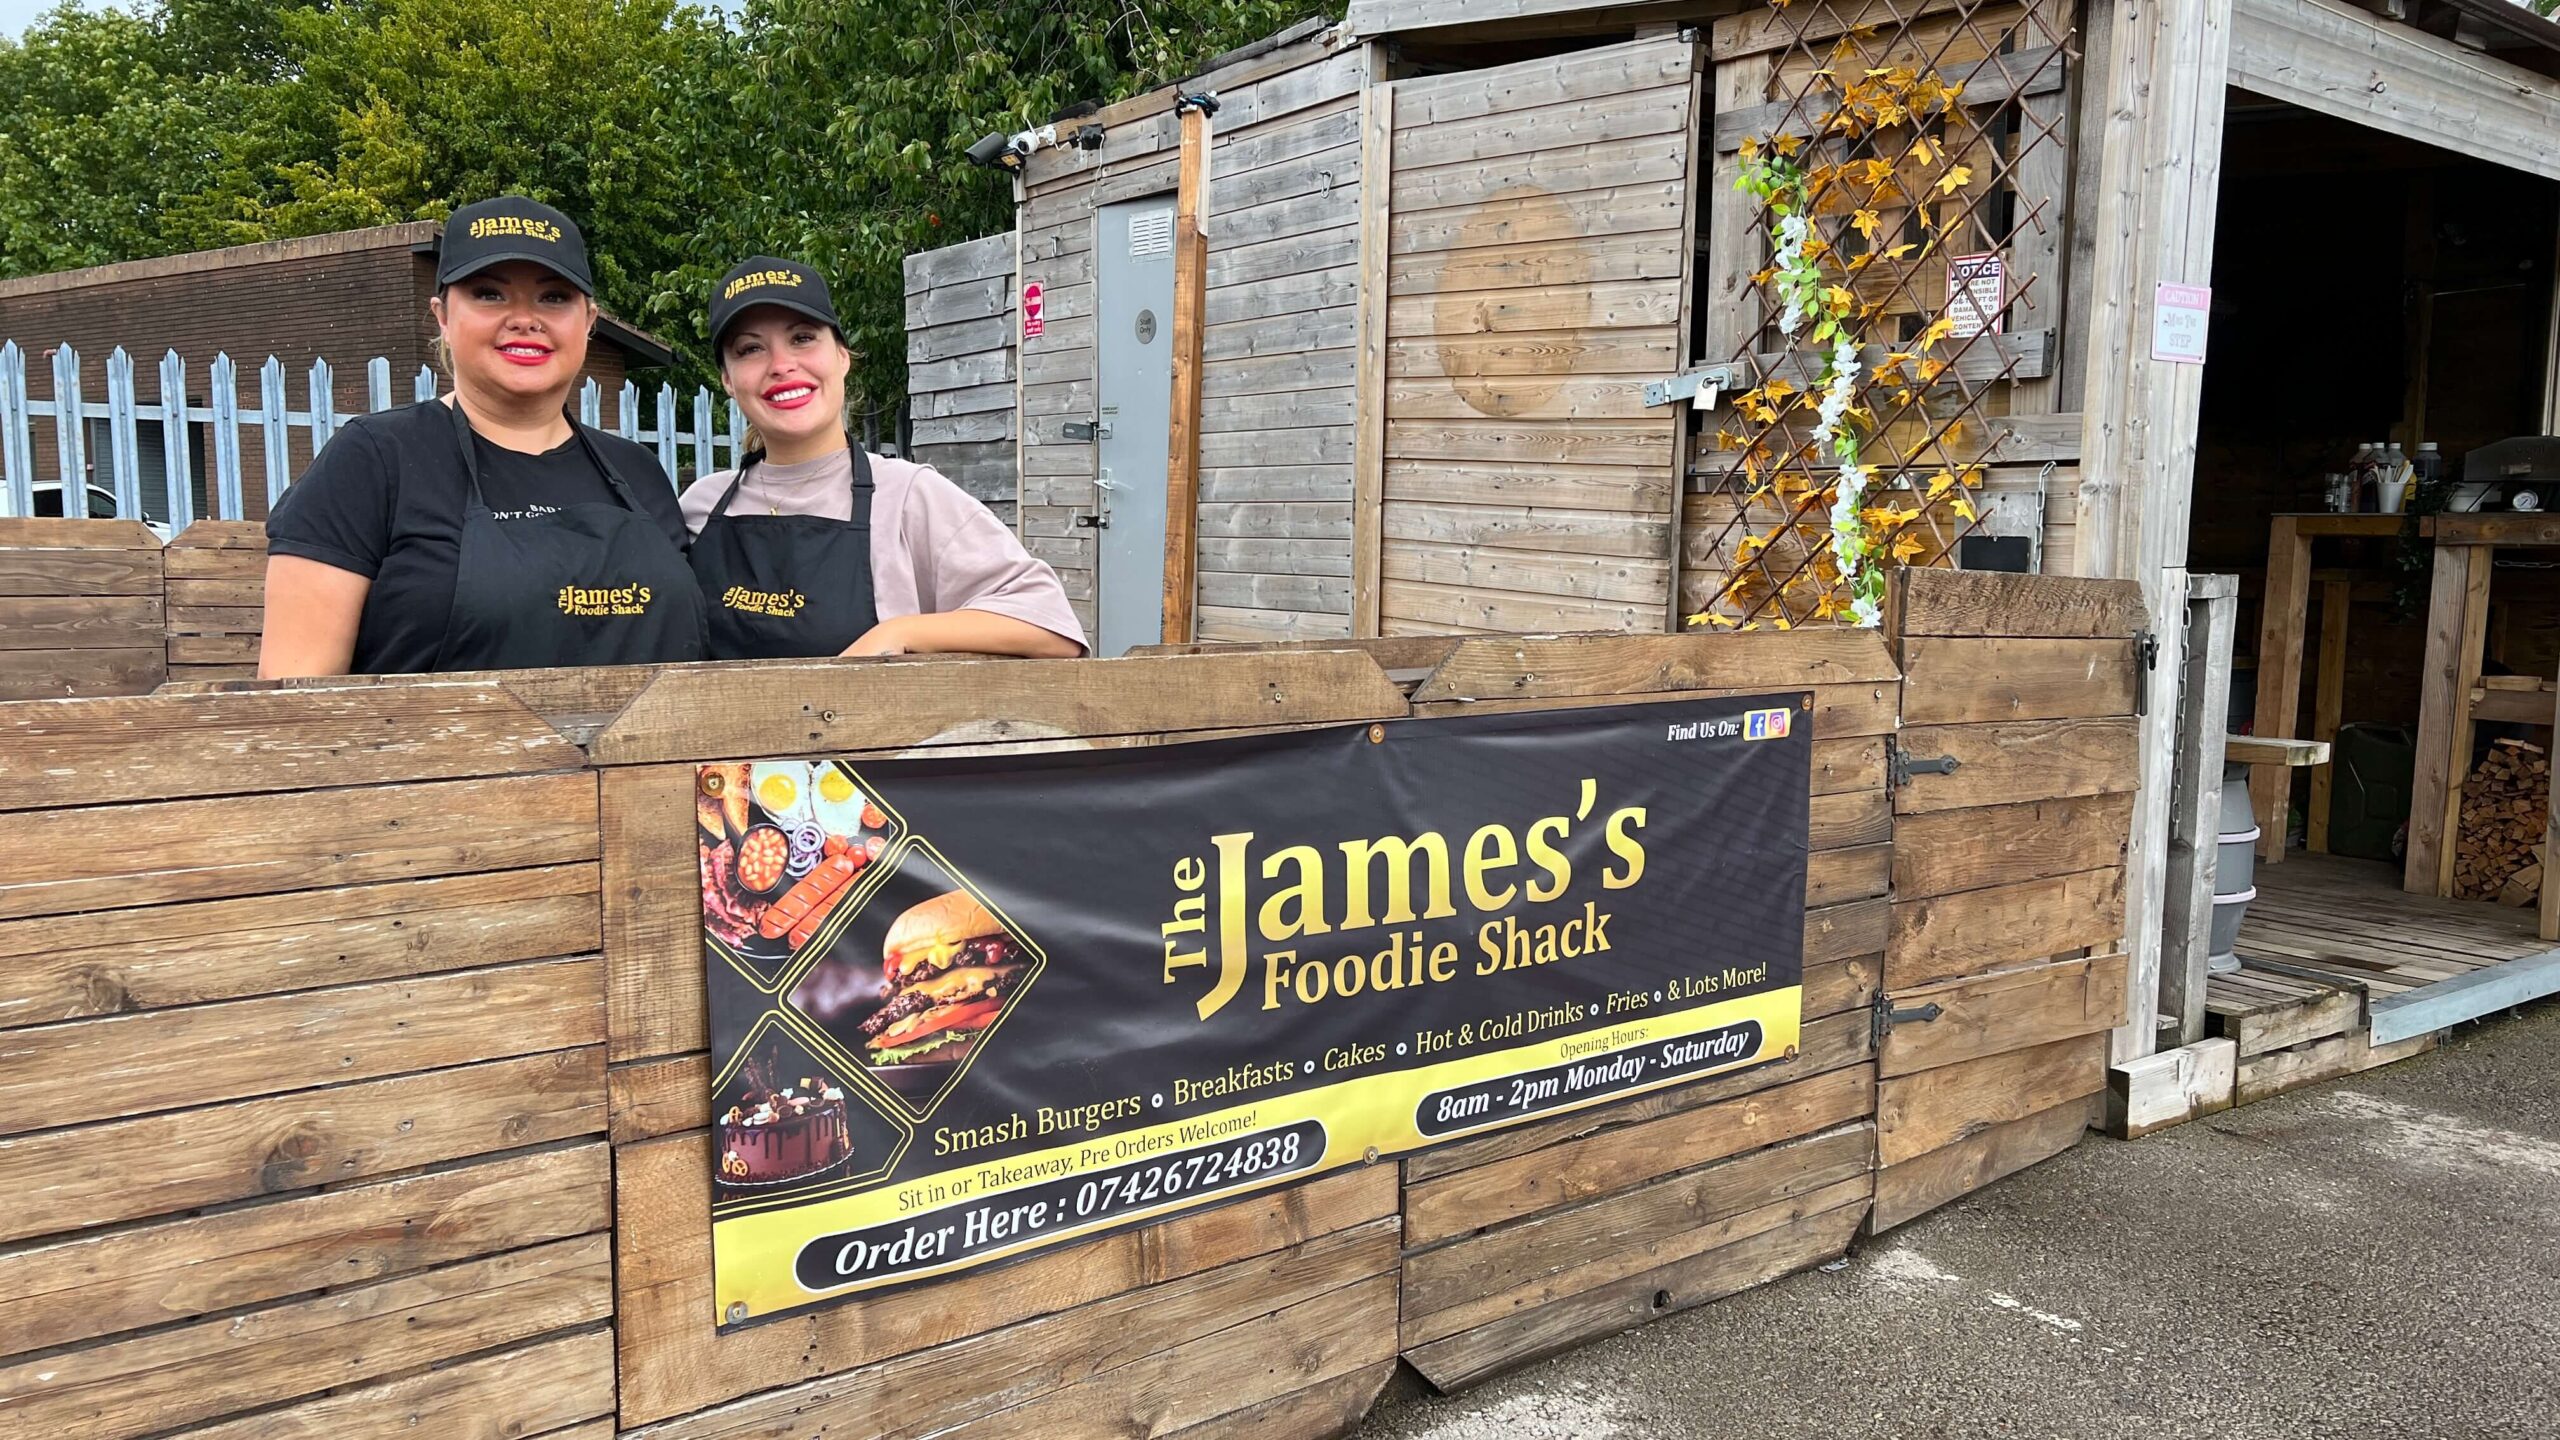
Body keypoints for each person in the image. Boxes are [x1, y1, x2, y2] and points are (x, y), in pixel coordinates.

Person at [260, 197, 706, 676]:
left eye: (554, 297)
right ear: (443, 317)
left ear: (589, 322)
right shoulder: (372, 459)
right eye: (489, 294)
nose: (523, 318)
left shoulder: (638, 470)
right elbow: (294, 704)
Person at [682, 256, 1084, 660]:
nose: (782, 365)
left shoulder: (908, 496)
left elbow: (1051, 626)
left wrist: (900, 632)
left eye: (802, 338)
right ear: (729, 380)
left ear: (842, 356)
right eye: (751, 349)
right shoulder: (699, 508)